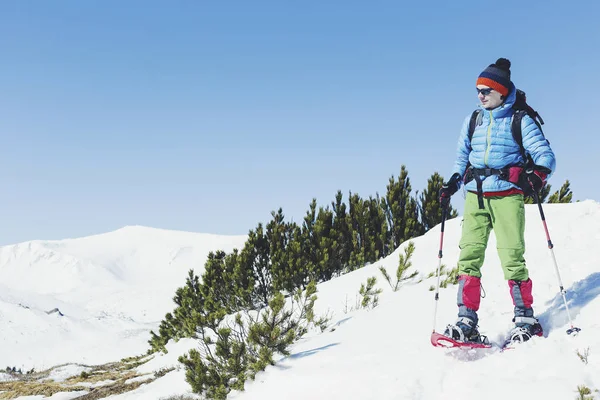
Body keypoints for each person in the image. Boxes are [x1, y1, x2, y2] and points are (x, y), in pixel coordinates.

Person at [438, 58, 556, 344]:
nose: (480, 95)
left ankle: (525, 318)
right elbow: (461, 158)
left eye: (486, 90)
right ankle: (467, 320)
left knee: (511, 256)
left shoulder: (520, 119)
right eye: (478, 89)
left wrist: (536, 176)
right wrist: (453, 181)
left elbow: (545, 156)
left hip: (507, 197)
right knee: (469, 256)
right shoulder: (473, 120)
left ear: (501, 91)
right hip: (475, 198)